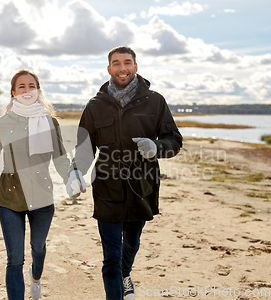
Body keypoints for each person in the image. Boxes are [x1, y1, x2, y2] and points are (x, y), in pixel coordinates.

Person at [66, 46, 183, 300]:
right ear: (109, 69)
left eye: (127, 62)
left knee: (130, 244)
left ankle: (126, 275)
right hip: (106, 187)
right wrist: (75, 171)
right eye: (116, 63)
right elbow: (85, 147)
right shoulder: (95, 106)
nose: (122, 68)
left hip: (142, 187)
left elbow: (174, 140)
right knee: (111, 257)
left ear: (135, 67)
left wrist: (156, 147)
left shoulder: (155, 101)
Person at [0, 69, 71, 300]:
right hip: (10, 198)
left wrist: (71, 177)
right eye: (22, 86)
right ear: (13, 93)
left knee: (38, 249)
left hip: (41, 197)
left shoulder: (49, 122)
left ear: (38, 91)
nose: (27, 90)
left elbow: (60, 156)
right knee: (14, 259)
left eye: (32, 86)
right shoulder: (3, 122)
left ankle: (36, 277)